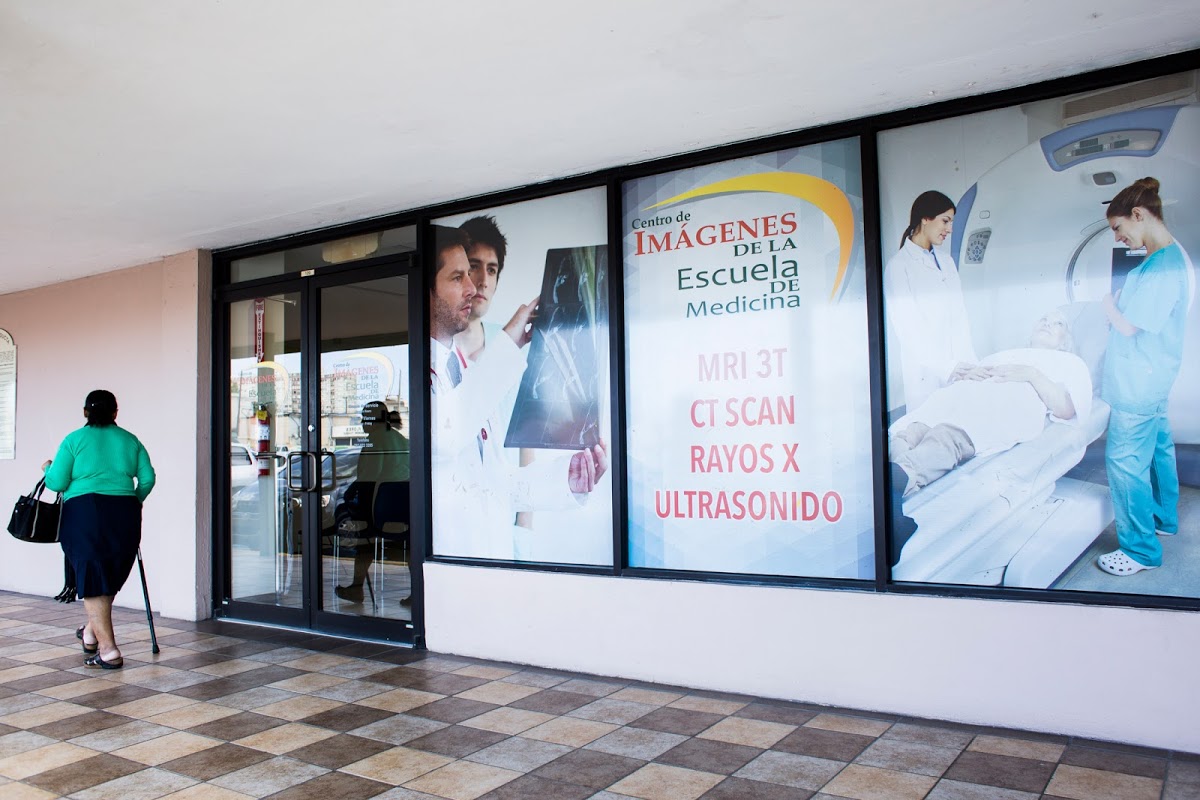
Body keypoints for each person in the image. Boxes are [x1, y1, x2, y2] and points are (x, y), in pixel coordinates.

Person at [429, 225, 608, 559]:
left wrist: (565, 480)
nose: (473, 287)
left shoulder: (464, 371)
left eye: (480, 273)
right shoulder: (413, 375)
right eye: (457, 277)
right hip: (449, 565)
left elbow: (497, 481)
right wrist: (510, 342)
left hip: (492, 559)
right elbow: (446, 435)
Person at [1095, 177, 1193, 577]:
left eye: (1118, 227)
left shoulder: (1162, 265)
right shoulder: (1159, 260)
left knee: (1124, 462)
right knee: (1157, 449)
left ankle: (1140, 551)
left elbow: (1130, 325)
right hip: (1152, 377)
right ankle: (1163, 518)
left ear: (1138, 214)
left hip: (1137, 384)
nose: (1118, 238)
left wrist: (1108, 305)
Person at [889, 310, 1092, 496]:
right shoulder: (1004, 354)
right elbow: (976, 372)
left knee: (947, 433)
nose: (1047, 324)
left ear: (1065, 342)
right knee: (912, 431)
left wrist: (1032, 375)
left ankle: (904, 475)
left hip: (1003, 405)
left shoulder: (1070, 362)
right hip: (963, 396)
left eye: (1058, 323)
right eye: (1044, 319)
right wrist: (970, 374)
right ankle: (898, 482)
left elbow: (1066, 409)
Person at [42, 390, 155, 669]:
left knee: (93, 573)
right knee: (110, 571)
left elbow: (56, 483)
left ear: (85, 412)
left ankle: (108, 650)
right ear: (115, 412)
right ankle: (91, 633)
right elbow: (148, 479)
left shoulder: (74, 440)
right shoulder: (130, 440)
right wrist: (133, 500)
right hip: (124, 511)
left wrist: (47, 468)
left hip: (83, 512)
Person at [884, 190, 978, 412]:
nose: (950, 229)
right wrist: (947, 367)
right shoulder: (898, 267)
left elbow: (960, 316)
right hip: (926, 374)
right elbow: (908, 330)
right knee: (932, 423)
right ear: (925, 218)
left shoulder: (947, 262)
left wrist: (970, 363)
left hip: (960, 365)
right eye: (945, 221)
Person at [334, 401, 410, 604]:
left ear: (373, 420)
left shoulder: (374, 440)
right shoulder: (400, 438)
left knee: (363, 537)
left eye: (364, 418)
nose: (362, 423)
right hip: (404, 505)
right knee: (409, 545)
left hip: (382, 505)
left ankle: (356, 587)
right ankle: (417, 592)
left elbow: (369, 476)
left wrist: (350, 493)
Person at [455, 215, 509, 363]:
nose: (484, 281)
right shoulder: (430, 346)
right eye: (473, 266)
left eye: (491, 270)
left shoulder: (513, 345)